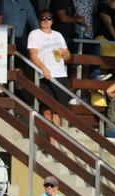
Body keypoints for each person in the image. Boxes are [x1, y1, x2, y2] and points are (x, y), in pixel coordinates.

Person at [27, 10, 71, 140]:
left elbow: (68, 56)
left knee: (58, 109)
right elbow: (33, 55)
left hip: (60, 73)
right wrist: (43, 68)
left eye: (48, 18)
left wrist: (63, 53)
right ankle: (50, 139)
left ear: (52, 20)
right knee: (47, 108)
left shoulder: (58, 35)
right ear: (39, 20)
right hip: (45, 75)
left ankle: (55, 138)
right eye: (43, 18)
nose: (46, 20)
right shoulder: (34, 34)